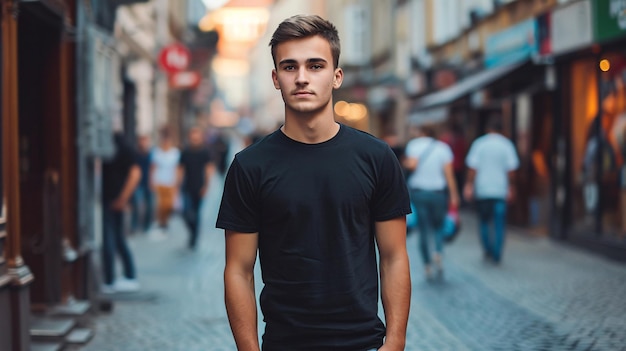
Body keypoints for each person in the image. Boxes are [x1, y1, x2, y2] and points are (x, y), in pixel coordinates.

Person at [217, 15, 412, 351]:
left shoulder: (376, 158)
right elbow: (238, 269)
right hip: (284, 343)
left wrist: (395, 342)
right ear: (276, 79)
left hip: (362, 342)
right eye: (290, 67)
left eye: (315, 66)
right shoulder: (250, 166)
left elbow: (394, 256)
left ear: (336, 77)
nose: (302, 78)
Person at [404, 124, 460, 280]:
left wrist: (406, 163)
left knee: (423, 229)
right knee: (438, 226)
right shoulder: (443, 148)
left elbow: (412, 165)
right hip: (438, 194)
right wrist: (454, 195)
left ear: (421, 131)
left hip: (419, 193)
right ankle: (438, 252)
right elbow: (449, 174)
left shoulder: (413, 145)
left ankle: (427, 264)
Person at [464, 116, 519, 263]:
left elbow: (472, 168)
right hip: (500, 190)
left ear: (488, 129)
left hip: (483, 189)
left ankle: (488, 249)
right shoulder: (507, 145)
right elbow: (511, 170)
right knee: (499, 223)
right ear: (502, 130)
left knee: (484, 221)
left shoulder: (479, 144)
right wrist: (511, 187)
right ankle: (497, 253)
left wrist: (469, 184)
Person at [101, 133, 142, 293]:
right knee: (117, 238)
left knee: (110, 239)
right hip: (110, 199)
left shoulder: (121, 146)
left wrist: (123, 198)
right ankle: (127, 276)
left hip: (114, 199)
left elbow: (135, 174)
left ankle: (112, 279)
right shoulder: (112, 145)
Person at [177, 126, 214, 250]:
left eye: (197, 135)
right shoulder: (185, 152)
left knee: (196, 213)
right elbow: (180, 169)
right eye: (193, 135)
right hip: (186, 186)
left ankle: (194, 237)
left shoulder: (205, 152)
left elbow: (209, 170)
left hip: (199, 187)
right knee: (186, 212)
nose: (194, 137)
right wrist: (177, 184)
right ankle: (192, 231)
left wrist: (206, 186)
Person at [150, 126, 180, 237]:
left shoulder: (175, 153)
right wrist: (152, 180)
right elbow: (153, 167)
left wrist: (177, 181)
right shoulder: (157, 152)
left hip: (170, 181)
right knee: (161, 205)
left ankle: (165, 221)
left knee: (168, 205)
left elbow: (177, 168)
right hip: (160, 181)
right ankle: (162, 223)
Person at [130, 134, 153, 234]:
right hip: (137, 183)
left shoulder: (151, 154)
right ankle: (134, 225)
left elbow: (153, 168)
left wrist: (152, 181)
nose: (143, 143)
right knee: (136, 205)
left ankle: (147, 226)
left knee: (149, 205)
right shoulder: (136, 154)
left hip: (147, 182)